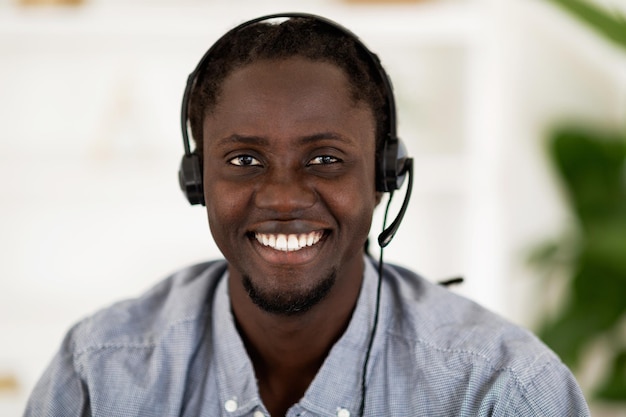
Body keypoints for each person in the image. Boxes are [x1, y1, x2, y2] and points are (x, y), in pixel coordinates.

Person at [24, 13, 590, 417]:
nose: (284, 197)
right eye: (244, 159)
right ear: (198, 181)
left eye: (325, 158)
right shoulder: (98, 372)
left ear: (383, 176)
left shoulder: (500, 387)